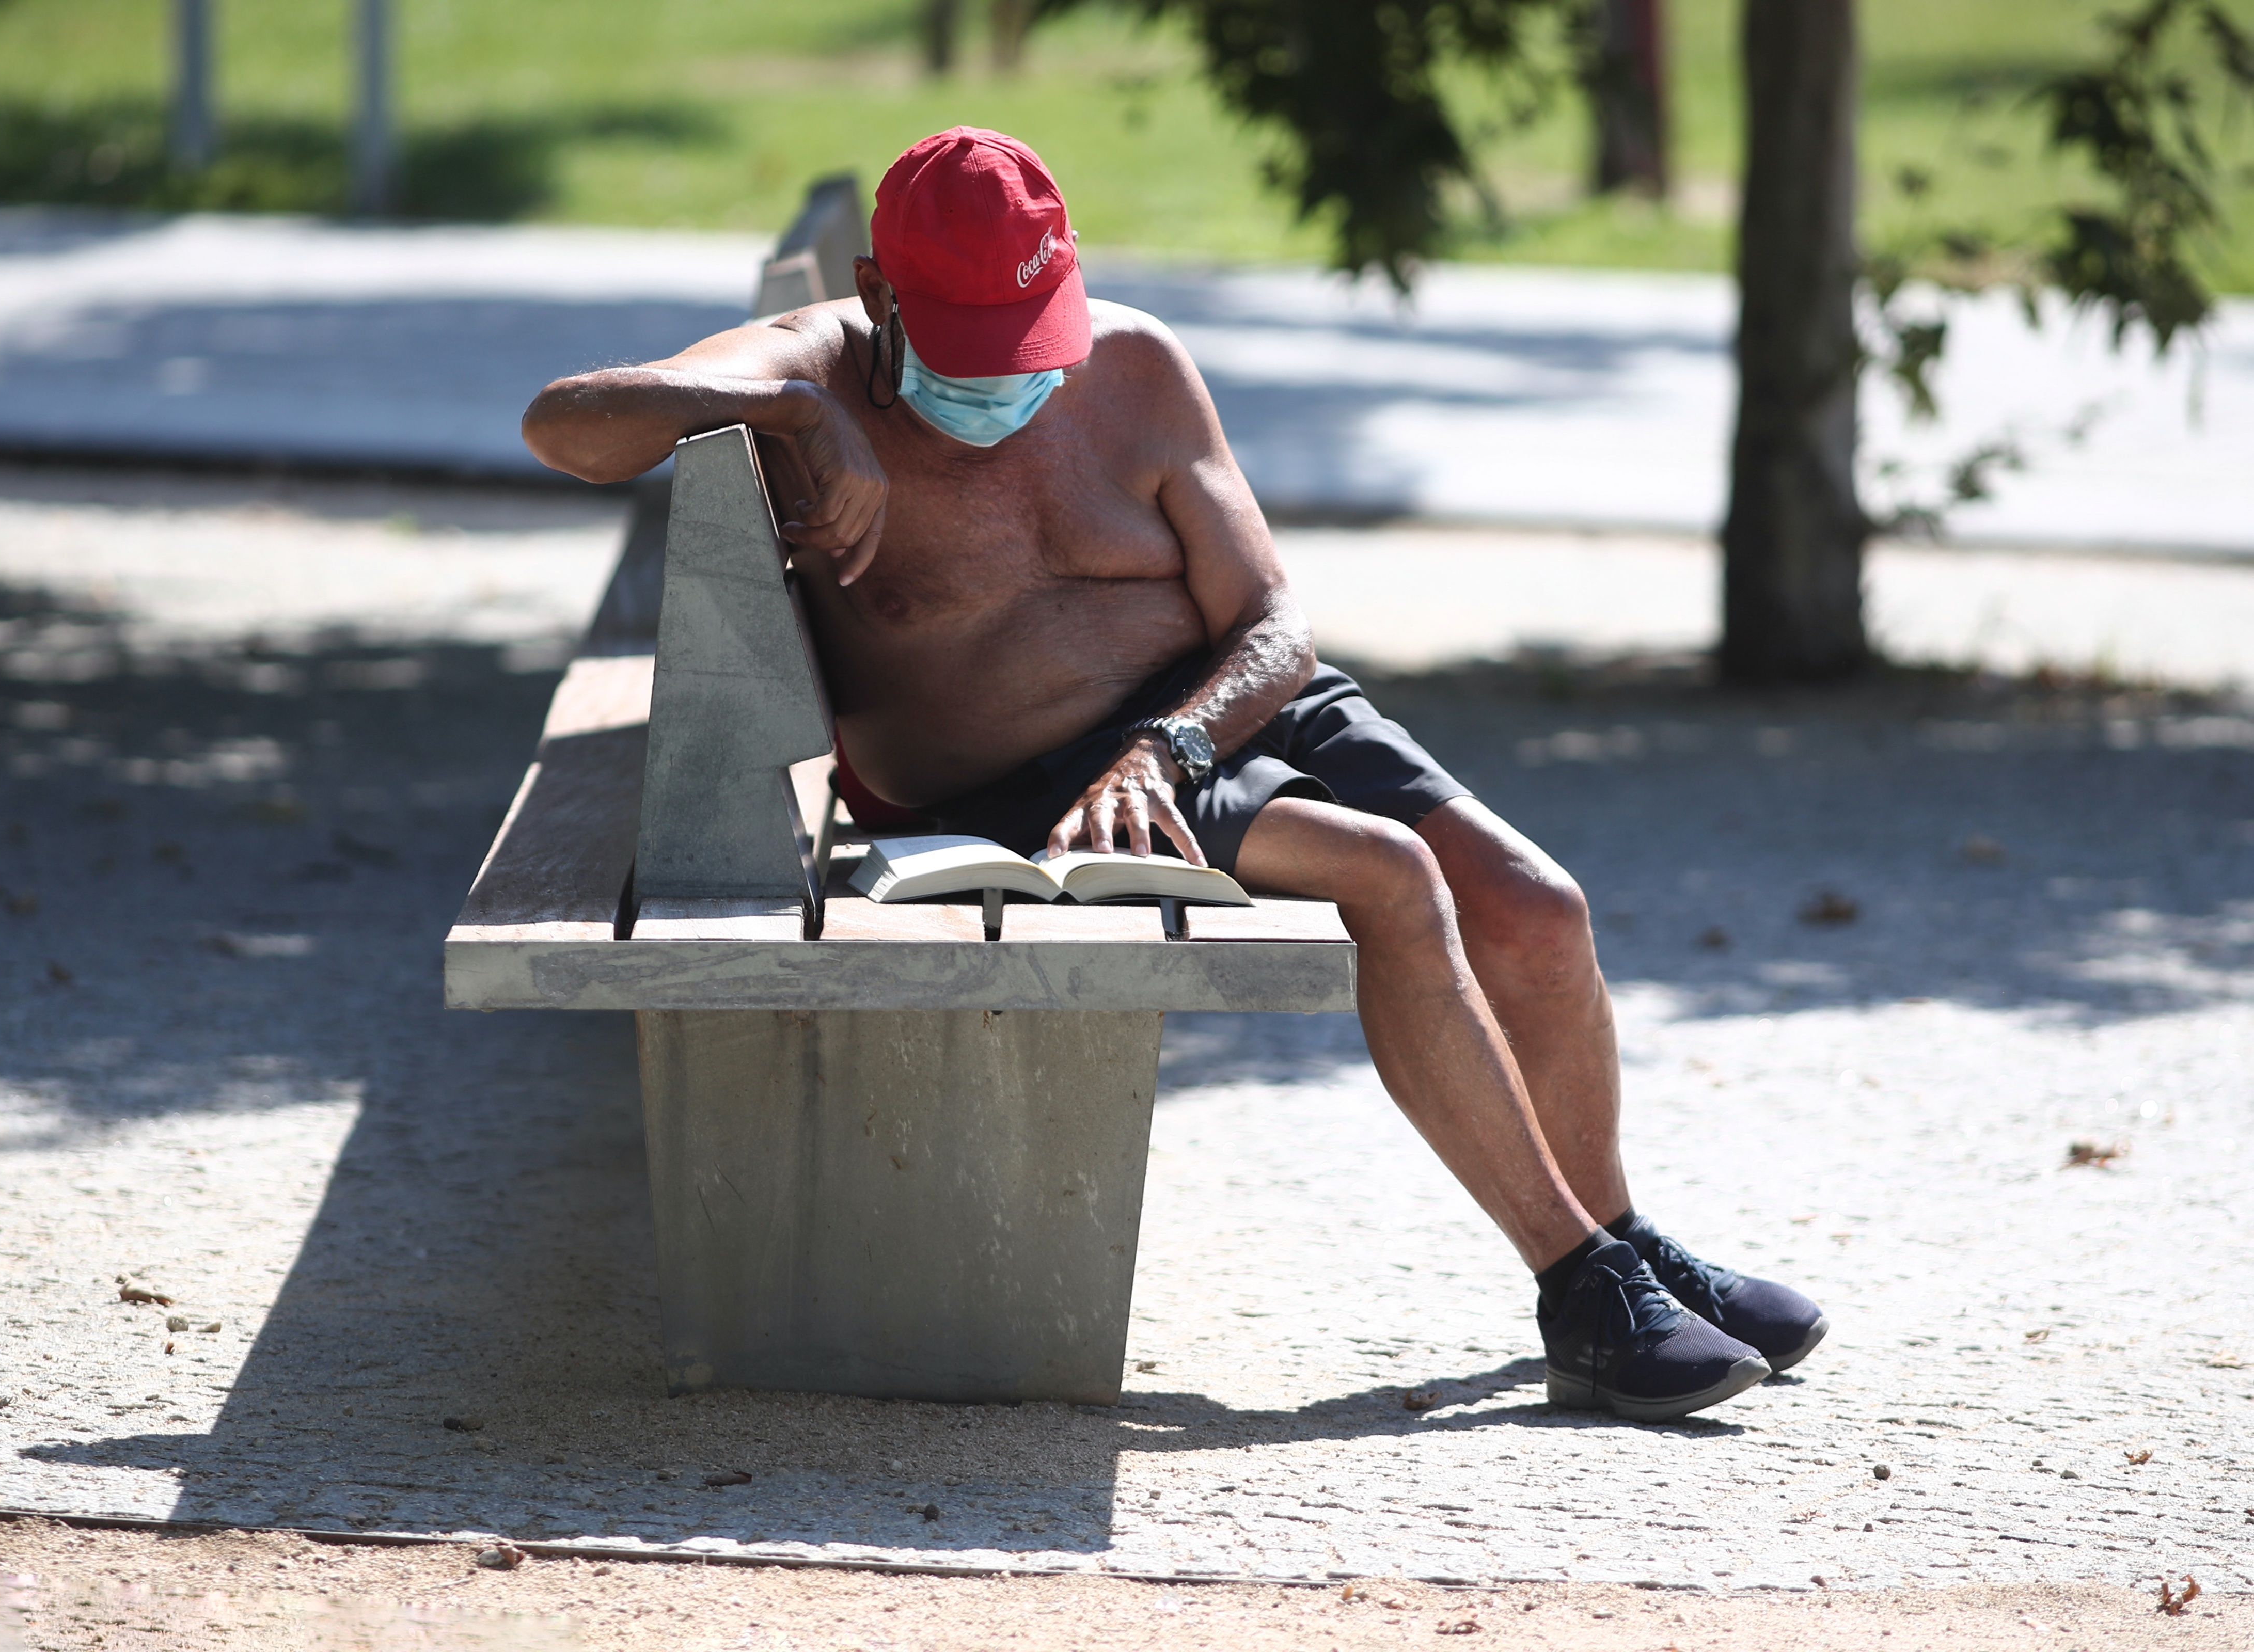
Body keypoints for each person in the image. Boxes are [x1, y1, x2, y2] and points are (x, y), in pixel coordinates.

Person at [522, 127, 1825, 1423]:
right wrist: (792, 412)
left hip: (1212, 719)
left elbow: (1273, 621)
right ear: (876, 294)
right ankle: (1581, 1291)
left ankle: (1625, 1240)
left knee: (1539, 905)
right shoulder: (811, 367)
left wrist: (1177, 742)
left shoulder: (1135, 364)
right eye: (975, 353)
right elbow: (562, 423)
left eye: (1032, 340)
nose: (1014, 384)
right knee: (1390, 874)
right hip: (1029, 780)